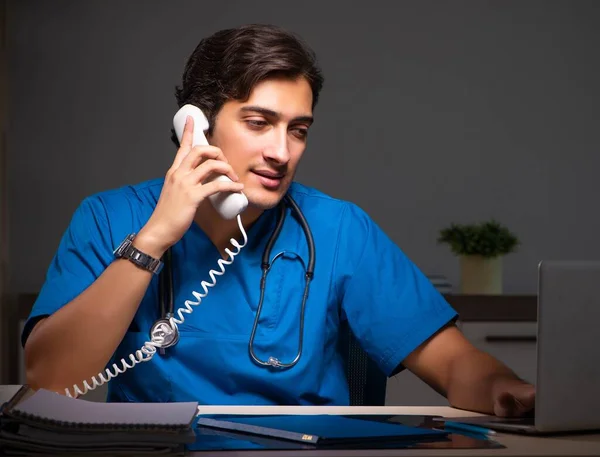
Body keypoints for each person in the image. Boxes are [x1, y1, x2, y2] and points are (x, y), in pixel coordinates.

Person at [22, 24, 534, 415]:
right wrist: (156, 237)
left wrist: (509, 390)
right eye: (259, 122)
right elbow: (47, 378)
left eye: (299, 130)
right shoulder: (109, 217)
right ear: (195, 126)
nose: (281, 152)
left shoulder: (339, 230)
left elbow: (455, 363)